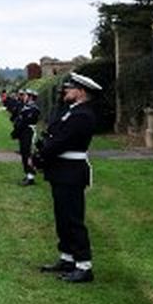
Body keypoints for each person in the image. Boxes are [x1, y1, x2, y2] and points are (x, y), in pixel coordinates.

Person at [33, 72, 101, 283]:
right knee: (62, 218)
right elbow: (54, 131)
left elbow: (61, 141)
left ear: (81, 92)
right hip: (62, 170)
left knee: (73, 219)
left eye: (70, 89)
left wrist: (41, 155)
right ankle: (68, 257)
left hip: (71, 171)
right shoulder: (71, 112)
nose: (65, 91)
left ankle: (83, 265)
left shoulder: (82, 115)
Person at [11, 89, 40, 185]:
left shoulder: (33, 109)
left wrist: (17, 131)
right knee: (24, 154)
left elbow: (25, 121)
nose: (24, 97)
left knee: (28, 154)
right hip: (23, 132)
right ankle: (28, 174)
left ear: (31, 97)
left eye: (26, 95)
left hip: (28, 132)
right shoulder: (26, 107)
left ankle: (30, 176)